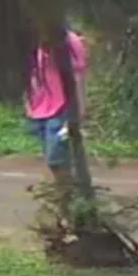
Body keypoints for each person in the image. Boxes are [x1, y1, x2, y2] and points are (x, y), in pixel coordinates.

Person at [26, 26, 89, 187]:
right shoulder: (30, 40)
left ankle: (69, 196)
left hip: (62, 107)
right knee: (51, 158)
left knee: (57, 157)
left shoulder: (69, 41)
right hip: (39, 108)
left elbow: (78, 76)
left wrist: (80, 107)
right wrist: (28, 103)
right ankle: (67, 192)